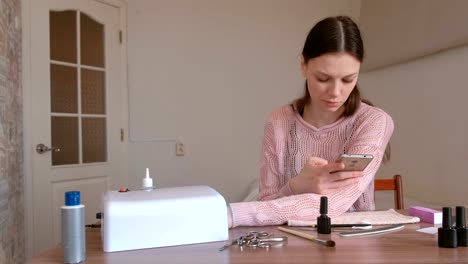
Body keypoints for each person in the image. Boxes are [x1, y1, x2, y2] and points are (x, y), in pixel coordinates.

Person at [227, 15, 394, 228]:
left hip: (353, 246)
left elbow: (334, 204)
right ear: (303, 65)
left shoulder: (373, 122)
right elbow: (266, 204)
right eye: (323, 78)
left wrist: (233, 215)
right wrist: (296, 186)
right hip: (288, 245)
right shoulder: (279, 122)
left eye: (348, 79)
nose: (335, 92)